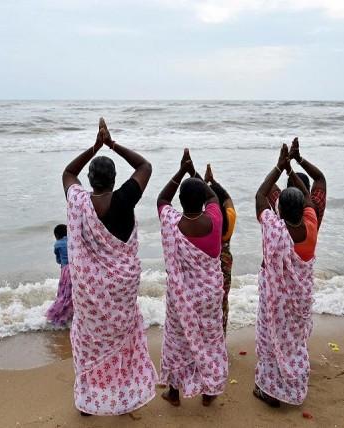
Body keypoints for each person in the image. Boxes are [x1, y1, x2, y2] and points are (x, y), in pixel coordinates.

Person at [62, 118, 157, 416]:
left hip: (91, 295)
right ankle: (124, 396)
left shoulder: (79, 201)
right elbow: (145, 167)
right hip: (120, 291)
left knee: (90, 342)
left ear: (90, 180)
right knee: (122, 341)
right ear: (116, 180)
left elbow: (67, 173)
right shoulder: (126, 198)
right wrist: (112, 144)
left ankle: (89, 402)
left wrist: (94, 147)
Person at [157, 149, 228, 408]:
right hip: (209, 296)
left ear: (181, 201)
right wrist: (195, 173)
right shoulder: (215, 219)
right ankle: (209, 392)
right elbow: (212, 196)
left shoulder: (172, 222)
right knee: (210, 340)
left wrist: (181, 171)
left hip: (181, 298)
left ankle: (174, 393)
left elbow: (162, 199)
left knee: (177, 341)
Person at [253, 143, 319, 408]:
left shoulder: (273, 227)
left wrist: (281, 165)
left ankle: (270, 390)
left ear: (278, 209)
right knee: (293, 342)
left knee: (271, 340)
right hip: (300, 299)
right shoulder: (311, 227)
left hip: (276, 301)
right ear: (302, 208)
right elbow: (311, 200)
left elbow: (260, 194)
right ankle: (294, 381)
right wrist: (294, 166)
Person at [204, 163, 237, 334]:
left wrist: (203, 183)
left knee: (207, 302)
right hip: (225, 264)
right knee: (223, 301)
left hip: (208, 266)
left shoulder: (205, 223)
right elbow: (228, 198)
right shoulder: (230, 218)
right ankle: (220, 337)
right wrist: (213, 182)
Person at [45, 224, 73, 326]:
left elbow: (58, 260)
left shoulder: (58, 244)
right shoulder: (73, 240)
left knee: (63, 294)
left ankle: (58, 317)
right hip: (78, 269)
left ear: (56, 235)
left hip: (66, 271)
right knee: (73, 294)